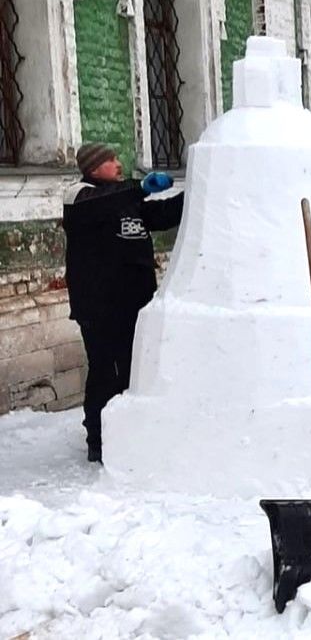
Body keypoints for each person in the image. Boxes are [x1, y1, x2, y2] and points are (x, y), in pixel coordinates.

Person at [62, 142, 183, 463]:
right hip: (100, 307)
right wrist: (140, 187)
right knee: (106, 371)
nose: (118, 163)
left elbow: (164, 214)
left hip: (135, 303)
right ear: (92, 168)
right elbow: (103, 203)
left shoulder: (126, 201)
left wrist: (200, 191)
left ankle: (127, 433)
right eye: (110, 160)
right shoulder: (79, 196)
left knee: (132, 371)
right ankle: (99, 440)